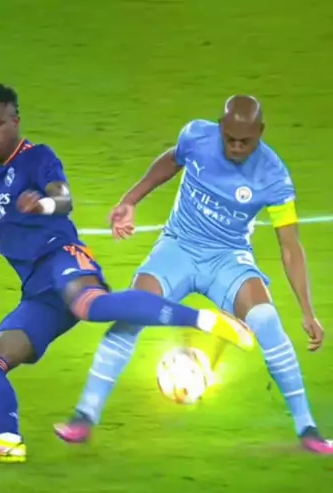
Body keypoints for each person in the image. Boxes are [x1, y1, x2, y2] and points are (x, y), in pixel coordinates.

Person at [0, 84, 252, 463]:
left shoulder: (37, 157)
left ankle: (208, 321)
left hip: (62, 258)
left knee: (89, 305)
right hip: (38, 293)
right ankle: (9, 440)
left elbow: (63, 198)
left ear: (15, 120)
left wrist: (43, 205)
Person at [55, 95, 333, 454]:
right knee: (133, 313)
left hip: (228, 258)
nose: (236, 147)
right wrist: (131, 200)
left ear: (261, 132)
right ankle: (84, 416)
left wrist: (308, 311)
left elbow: (290, 245)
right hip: (178, 248)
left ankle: (308, 429)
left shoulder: (274, 176)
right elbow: (172, 160)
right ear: (220, 126)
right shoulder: (197, 137)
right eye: (229, 138)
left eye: (245, 141)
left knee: (267, 321)